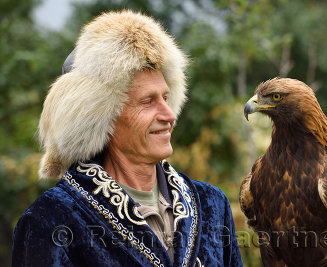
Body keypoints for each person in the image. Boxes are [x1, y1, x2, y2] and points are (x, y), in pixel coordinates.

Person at [12, 10, 243, 267]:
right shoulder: (52, 218)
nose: (169, 115)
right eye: (147, 101)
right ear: (102, 117)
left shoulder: (212, 204)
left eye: (166, 98)